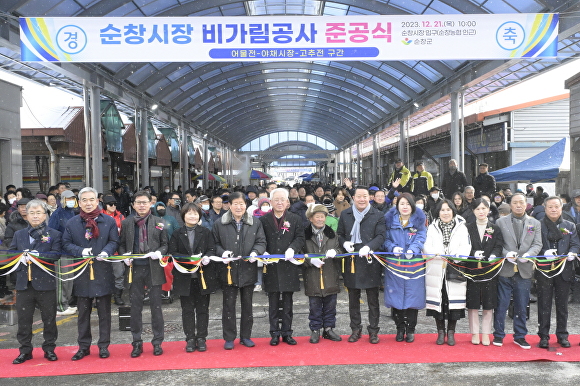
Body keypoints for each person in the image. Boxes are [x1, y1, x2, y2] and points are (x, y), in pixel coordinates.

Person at [62, 187, 120, 361]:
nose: (88, 203)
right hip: (81, 271)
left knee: (104, 312)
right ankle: (83, 346)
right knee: (83, 313)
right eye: (84, 200)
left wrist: (106, 252)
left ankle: (103, 345)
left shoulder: (108, 221)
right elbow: (65, 243)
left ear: (97, 201)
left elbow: (114, 241)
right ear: (79, 203)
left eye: (91, 200)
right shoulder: (72, 223)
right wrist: (80, 251)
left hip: (102, 270)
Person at [9, 199, 61, 364]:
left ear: (45, 215)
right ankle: (25, 350)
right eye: (32, 213)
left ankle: (49, 349)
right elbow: (11, 254)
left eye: (39, 213)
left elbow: (56, 255)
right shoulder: (19, 234)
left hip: (46, 283)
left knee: (49, 318)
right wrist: (20, 257)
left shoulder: (54, 234)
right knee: (24, 320)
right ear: (27, 215)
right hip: (24, 284)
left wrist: (37, 256)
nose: (36, 216)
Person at [213, 192, 266, 350]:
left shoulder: (254, 223)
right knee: (228, 305)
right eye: (235, 203)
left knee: (247, 305)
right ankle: (229, 337)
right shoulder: (219, 223)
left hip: (248, 269)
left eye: (241, 204)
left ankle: (246, 336)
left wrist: (256, 251)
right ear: (229, 205)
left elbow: (261, 241)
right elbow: (214, 243)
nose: (238, 207)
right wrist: (222, 252)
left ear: (246, 205)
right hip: (228, 270)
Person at [118, 190, 168, 358]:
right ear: (133, 205)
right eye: (138, 202)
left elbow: (165, 244)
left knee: (156, 307)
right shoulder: (127, 223)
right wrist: (124, 255)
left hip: (153, 268)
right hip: (134, 269)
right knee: (135, 307)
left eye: (144, 202)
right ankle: (137, 342)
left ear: (150, 204)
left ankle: (157, 341)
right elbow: (122, 244)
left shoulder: (159, 222)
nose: (141, 205)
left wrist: (159, 252)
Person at [337, 186, 386, 344]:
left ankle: (373, 330)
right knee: (353, 298)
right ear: (353, 197)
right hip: (352, 261)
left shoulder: (377, 214)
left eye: (365, 196)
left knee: (373, 299)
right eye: (359, 196)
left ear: (369, 197)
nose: (362, 199)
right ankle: (355, 329)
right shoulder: (345, 214)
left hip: (371, 261)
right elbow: (339, 234)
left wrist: (369, 246)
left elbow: (380, 236)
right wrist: (344, 243)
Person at [493, 192, 542, 349]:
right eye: (515, 202)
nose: (519, 205)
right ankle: (499, 334)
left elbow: (537, 244)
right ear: (510, 204)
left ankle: (520, 335)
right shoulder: (500, 222)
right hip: (506, 269)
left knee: (522, 304)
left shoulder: (534, 223)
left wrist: (529, 255)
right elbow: (497, 244)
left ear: (526, 204)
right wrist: (506, 254)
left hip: (524, 268)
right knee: (502, 304)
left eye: (521, 202)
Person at [168, 203, 217, 353]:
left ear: (199, 216)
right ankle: (190, 338)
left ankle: (201, 337)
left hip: (202, 276)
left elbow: (212, 248)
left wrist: (207, 257)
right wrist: (190, 259)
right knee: (187, 309)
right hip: (184, 277)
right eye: (189, 213)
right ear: (183, 216)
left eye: (195, 214)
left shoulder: (206, 232)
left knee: (203, 309)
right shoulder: (177, 233)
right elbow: (172, 252)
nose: (192, 216)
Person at [260, 188, 305, 346]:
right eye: (276, 200)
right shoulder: (264, 220)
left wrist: (293, 248)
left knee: (287, 301)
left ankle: (287, 332)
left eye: (282, 200)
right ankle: (274, 333)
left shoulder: (295, 218)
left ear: (287, 202)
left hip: (288, 265)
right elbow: (260, 238)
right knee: (272, 301)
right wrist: (263, 251)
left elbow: (300, 237)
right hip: (271, 265)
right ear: (271, 202)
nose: (279, 202)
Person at [423, 199, 471, 346]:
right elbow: (426, 246)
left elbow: (466, 246)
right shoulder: (432, 227)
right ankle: (440, 332)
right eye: (442, 210)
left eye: (448, 210)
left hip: (454, 267)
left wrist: (455, 256)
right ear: (438, 212)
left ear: (453, 210)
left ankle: (451, 332)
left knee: (453, 303)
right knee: (439, 301)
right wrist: (435, 254)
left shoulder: (461, 227)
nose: (445, 213)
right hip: (436, 267)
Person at [536, 196, 580, 349]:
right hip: (544, 270)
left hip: (564, 270)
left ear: (561, 208)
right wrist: (543, 253)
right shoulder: (537, 225)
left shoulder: (569, 225)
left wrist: (572, 253)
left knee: (562, 306)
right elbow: (533, 246)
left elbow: (575, 244)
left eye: (556, 206)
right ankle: (543, 336)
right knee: (544, 304)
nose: (554, 209)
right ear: (545, 208)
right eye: (550, 207)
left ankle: (562, 335)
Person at [383, 193, 427, 343]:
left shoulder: (419, 221)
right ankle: (399, 328)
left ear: (412, 206)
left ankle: (411, 329)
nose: (405, 207)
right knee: (396, 297)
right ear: (397, 205)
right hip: (395, 264)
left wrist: (413, 249)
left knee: (412, 297)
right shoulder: (390, 221)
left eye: (408, 204)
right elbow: (386, 239)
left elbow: (421, 237)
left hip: (413, 264)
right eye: (402, 204)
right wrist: (392, 248)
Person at [465, 199, 504, 346]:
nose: (481, 211)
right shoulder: (467, 228)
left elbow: (499, 245)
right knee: (473, 304)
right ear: (473, 211)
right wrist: (473, 252)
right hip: (473, 270)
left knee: (489, 304)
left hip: (490, 271)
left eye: (484, 208)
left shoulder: (495, 228)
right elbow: (463, 245)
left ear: (488, 210)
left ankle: (486, 333)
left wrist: (494, 254)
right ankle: (475, 332)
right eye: (478, 209)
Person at [302, 204, 342, 343]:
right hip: (312, 275)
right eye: (317, 216)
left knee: (331, 304)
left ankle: (328, 329)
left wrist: (335, 253)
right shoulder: (304, 235)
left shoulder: (332, 234)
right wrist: (309, 261)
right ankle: (315, 329)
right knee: (314, 305)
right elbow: (299, 254)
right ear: (311, 218)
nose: (320, 219)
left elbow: (340, 250)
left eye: (322, 216)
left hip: (330, 273)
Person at [48, 190, 79, 316]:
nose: (71, 200)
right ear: (63, 200)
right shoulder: (57, 214)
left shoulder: (72, 212)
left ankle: (66, 303)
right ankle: (60, 306)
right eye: (68, 198)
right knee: (63, 280)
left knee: (69, 280)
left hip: (72, 251)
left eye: (73, 198)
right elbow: (51, 231)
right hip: (61, 252)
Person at [101, 195, 126, 306]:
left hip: (116, 250)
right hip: (102, 250)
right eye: (110, 204)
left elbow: (124, 233)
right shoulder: (98, 216)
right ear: (104, 205)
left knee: (119, 274)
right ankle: (101, 296)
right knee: (101, 274)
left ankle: (117, 296)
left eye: (115, 204)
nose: (113, 206)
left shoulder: (120, 217)